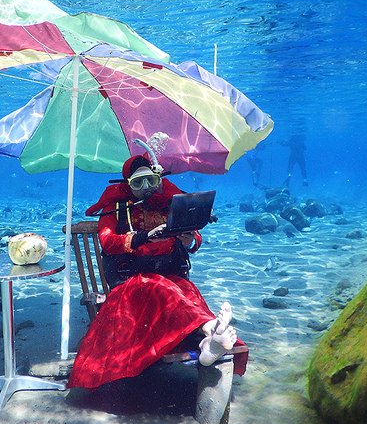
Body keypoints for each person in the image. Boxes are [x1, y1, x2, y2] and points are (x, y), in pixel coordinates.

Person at [68, 154, 246, 390]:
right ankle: (210, 329)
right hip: (132, 281)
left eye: (151, 181)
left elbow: (194, 237)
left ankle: (207, 342)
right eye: (138, 183)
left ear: (158, 179)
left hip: (171, 275)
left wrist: (189, 238)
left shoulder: (170, 203)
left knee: (188, 293)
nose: (146, 189)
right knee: (162, 290)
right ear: (127, 185)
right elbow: (108, 241)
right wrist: (144, 237)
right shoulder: (117, 207)